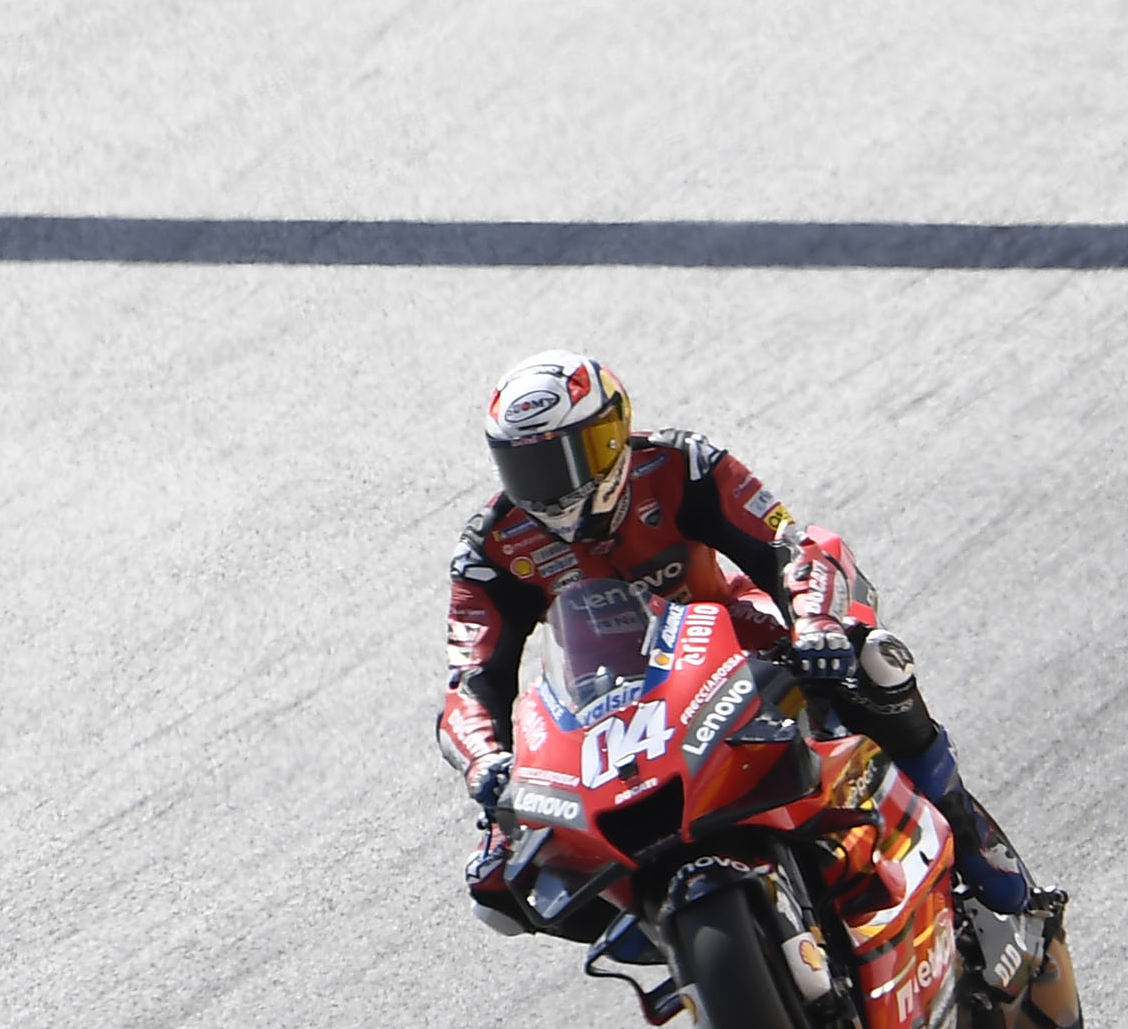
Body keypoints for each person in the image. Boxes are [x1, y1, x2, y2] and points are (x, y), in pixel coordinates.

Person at [437, 351, 1055, 996]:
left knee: (868, 659)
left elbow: (786, 543)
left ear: (615, 432)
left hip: (733, 647)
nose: (551, 485)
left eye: (569, 456)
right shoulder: (492, 546)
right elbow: (469, 679)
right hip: (608, 716)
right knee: (499, 887)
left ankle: (964, 825)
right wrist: (486, 762)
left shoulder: (680, 464)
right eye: (527, 465)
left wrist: (814, 623)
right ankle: (682, 941)